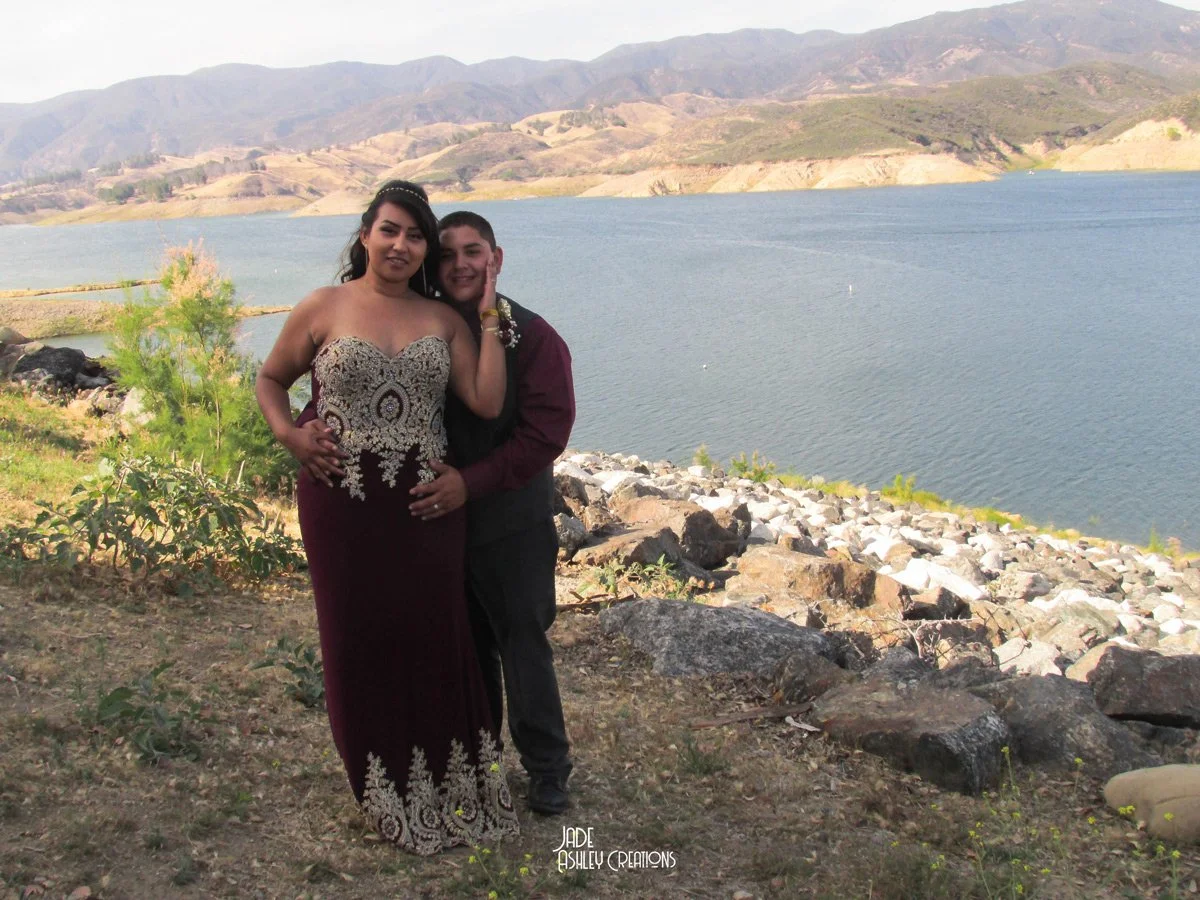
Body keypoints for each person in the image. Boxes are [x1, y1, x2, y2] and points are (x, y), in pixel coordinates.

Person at [254, 180, 520, 854]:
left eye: (414, 236)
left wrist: (486, 311)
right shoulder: (324, 306)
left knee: (435, 639)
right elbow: (269, 380)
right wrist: (290, 435)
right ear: (366, 233)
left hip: (425, 510)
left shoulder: (444, 319)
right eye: (390, 230)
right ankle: (382, 788)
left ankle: (453, 784)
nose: (402, 245)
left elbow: (487, 403)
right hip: (340, 506)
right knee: (357, 643)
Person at [408, 211, 576, 815]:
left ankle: (548, 770)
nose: (459, 263)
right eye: (447, 253)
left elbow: (544, 436)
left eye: (471, 251)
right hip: (435, 523)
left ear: (495, 259)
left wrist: (470, 484)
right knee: (463, 650)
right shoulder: (418, 333)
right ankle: (475, 764)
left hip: (512, 526)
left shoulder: (534, 338)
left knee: (522, 647)